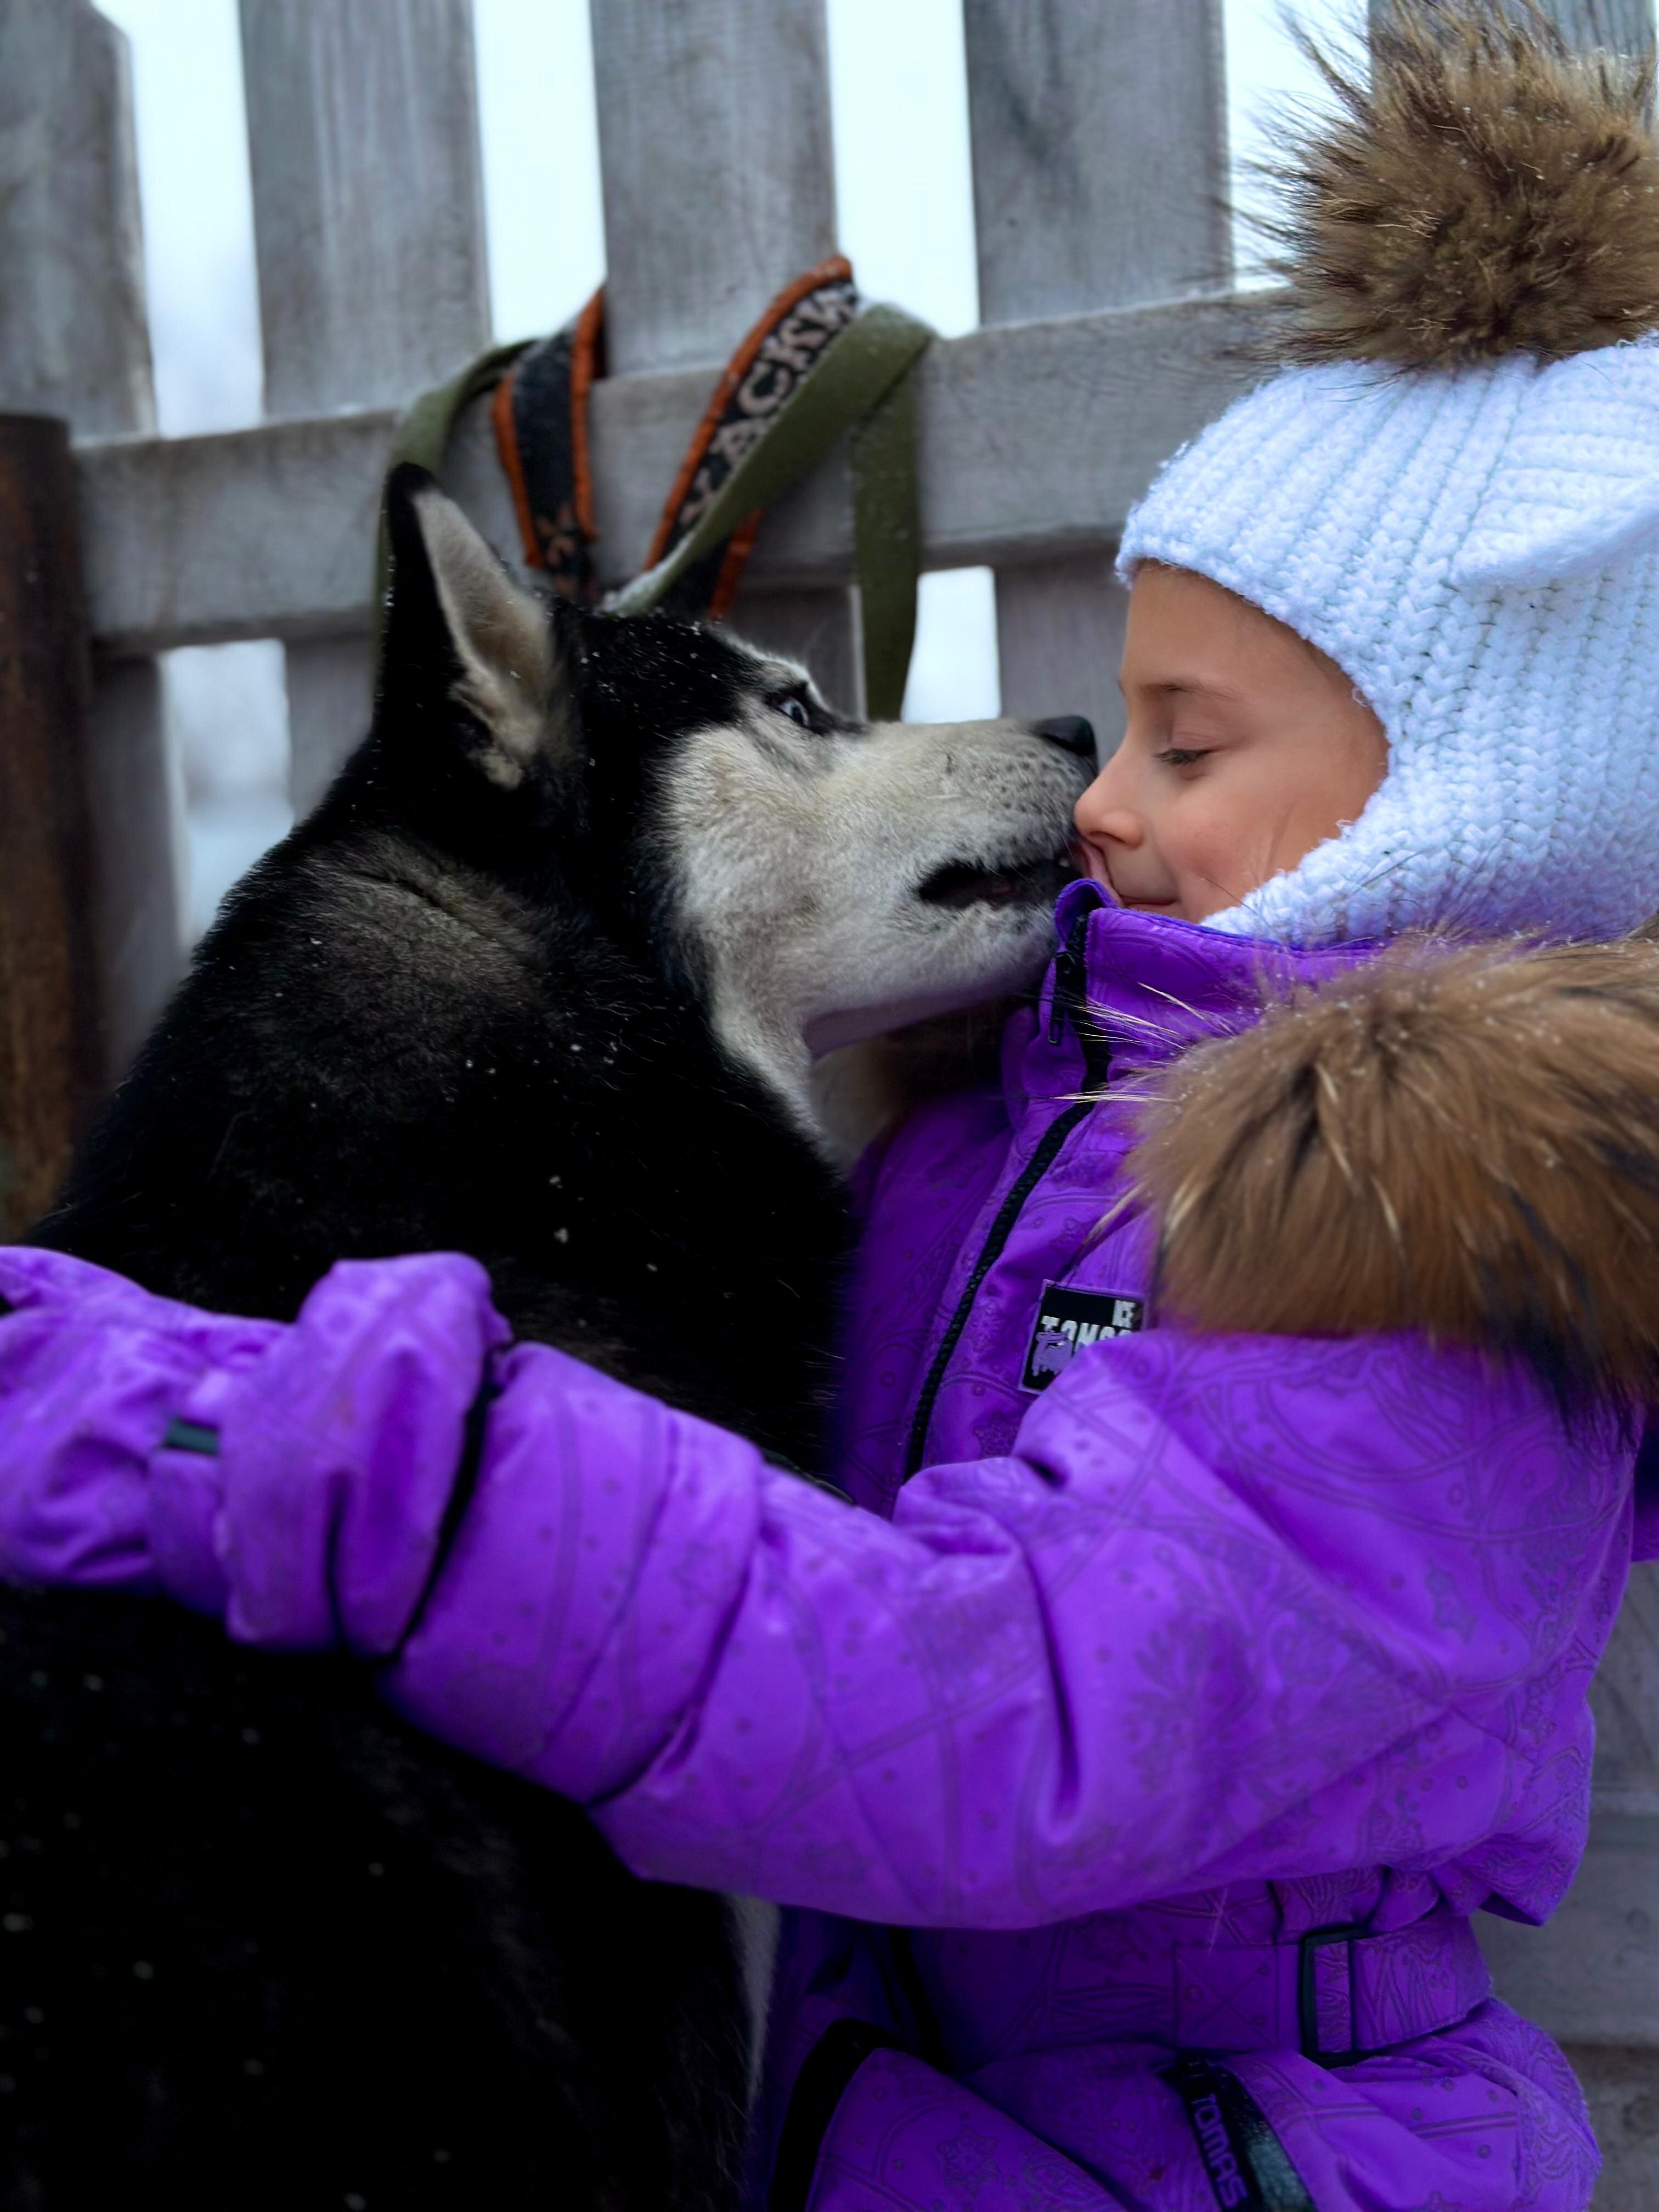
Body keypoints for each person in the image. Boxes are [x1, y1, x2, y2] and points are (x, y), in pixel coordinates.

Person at [6, 5, 1659, 2205]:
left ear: (1460, 803)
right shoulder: (1019, 1123)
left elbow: (995, 1708)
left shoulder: (1431, 1279)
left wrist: (288, 1445)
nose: (1098, 795)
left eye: (1184, 743)